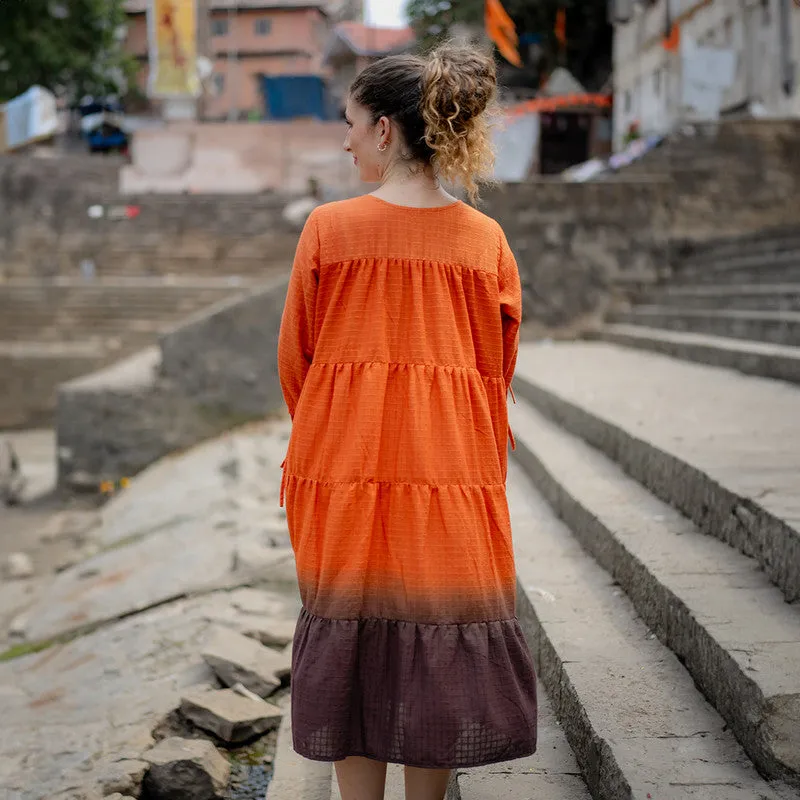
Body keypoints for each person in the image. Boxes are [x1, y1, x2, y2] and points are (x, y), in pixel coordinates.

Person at [277, 43, 538, 800]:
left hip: (343, 472)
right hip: (452, 475)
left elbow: (297, 363)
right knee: (441, 647)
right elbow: (498, 372)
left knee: (350, 643)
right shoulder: (485, 242)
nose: (346, 138)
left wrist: (337, 436)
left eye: (351, 123)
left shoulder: (328, 229)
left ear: (386, 130)